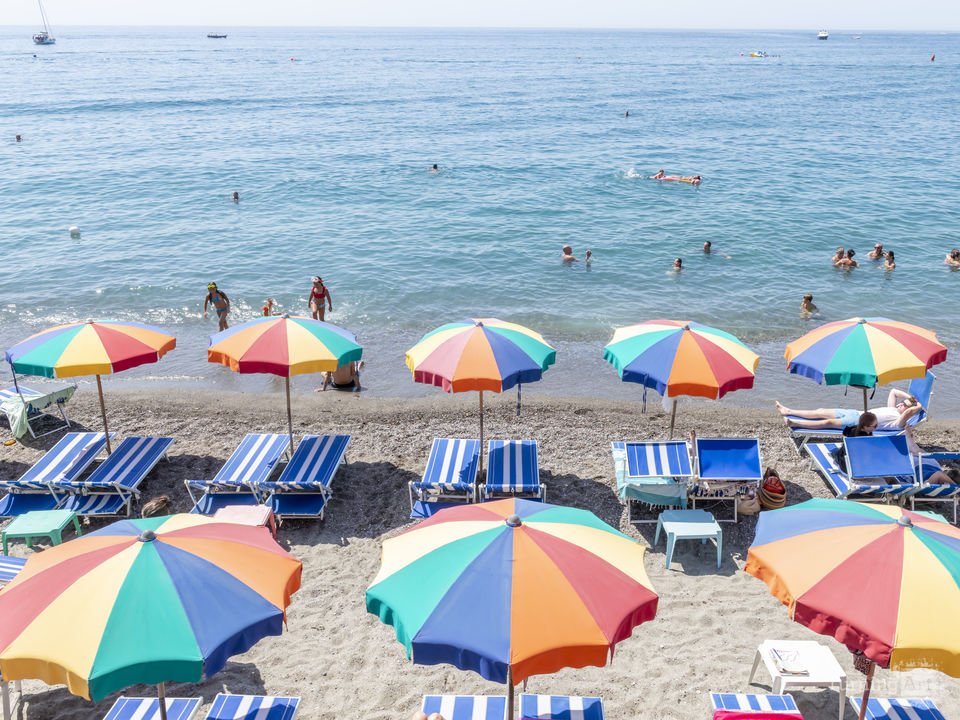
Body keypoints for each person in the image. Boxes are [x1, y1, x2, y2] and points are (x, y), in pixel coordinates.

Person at [776, 388, 923, 430]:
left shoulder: (898, 422)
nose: (901, 405)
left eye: (904, 405)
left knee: (827, 422)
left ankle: (796, 423)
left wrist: (919, 405)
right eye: (902, 403)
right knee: (820, 411)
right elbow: (893, 391)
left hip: (857, 422)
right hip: (855, 412)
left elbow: (910, 412)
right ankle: (788, 411)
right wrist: (910, 397)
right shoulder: (893, 409)